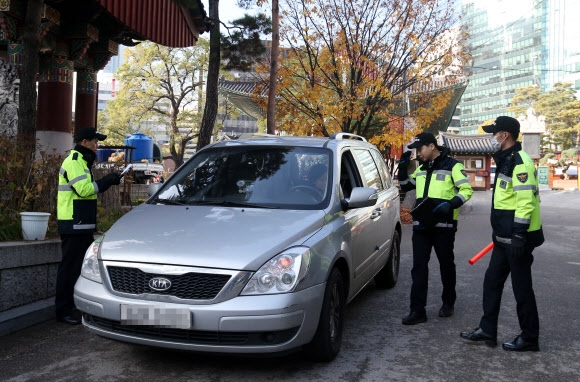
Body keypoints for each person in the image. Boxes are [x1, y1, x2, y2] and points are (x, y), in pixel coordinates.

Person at [460, 116, 544, 351]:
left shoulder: (519, 161)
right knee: (492, 283)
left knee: (522, 289)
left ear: (505, 135)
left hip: (517, 240)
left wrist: (518, 234)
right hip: (503, 239)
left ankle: (529, 337)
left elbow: (525, 202)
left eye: (495, 133)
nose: (493, 137)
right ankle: (487, 330)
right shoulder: (506, 160)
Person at [398, 132, 473, 325]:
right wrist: (403, 167)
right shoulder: (421, 168)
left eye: (420, 148)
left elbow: (467, 190)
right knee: (419, 268)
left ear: (432, 146)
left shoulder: (453, 166)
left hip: (444, 226)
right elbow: (406, 187)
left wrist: (452, 204)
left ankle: (448, 303)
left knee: (446, 265)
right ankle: (417, 311)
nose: (418, 153)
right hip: (421, 226)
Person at [55, 127, 122, 325]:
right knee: (69, 268)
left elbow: (86, 190)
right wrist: (106, 181)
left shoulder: (82, 161)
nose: (97, 145)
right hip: (74, 223)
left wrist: (107, 182)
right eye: (95, 141)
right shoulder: (75, 161)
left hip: (81, 223)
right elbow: (84, 190)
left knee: (78, 268)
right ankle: (63, 310)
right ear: (84, 142)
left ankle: (72, 307)